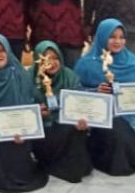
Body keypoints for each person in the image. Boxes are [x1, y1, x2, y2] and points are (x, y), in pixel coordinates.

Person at [75, 18, 135, 175]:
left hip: (132, 114)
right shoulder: (86, 64)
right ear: (102, 37)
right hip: (103, 116)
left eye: (121, 37)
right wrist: (96, 92)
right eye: (112, 37)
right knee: (119, 137)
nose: (118, 41)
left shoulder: (131, 60)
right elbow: (76, 94)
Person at [0, 34, 48, 193]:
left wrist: (34, 116)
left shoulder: (20, 74)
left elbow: (29, 103)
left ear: (8, 51)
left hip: (16, 124)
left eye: (1, 50)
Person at [29, 41, 93, 183]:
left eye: (55, 58)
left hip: (67, 126)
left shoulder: (70, 76)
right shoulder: (28, 78)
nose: (52, 63)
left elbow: (80, 101)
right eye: (47, 58)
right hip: (43, 129)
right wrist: (35, 113)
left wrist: (82, 118)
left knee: (76, 131)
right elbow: (22, 105)